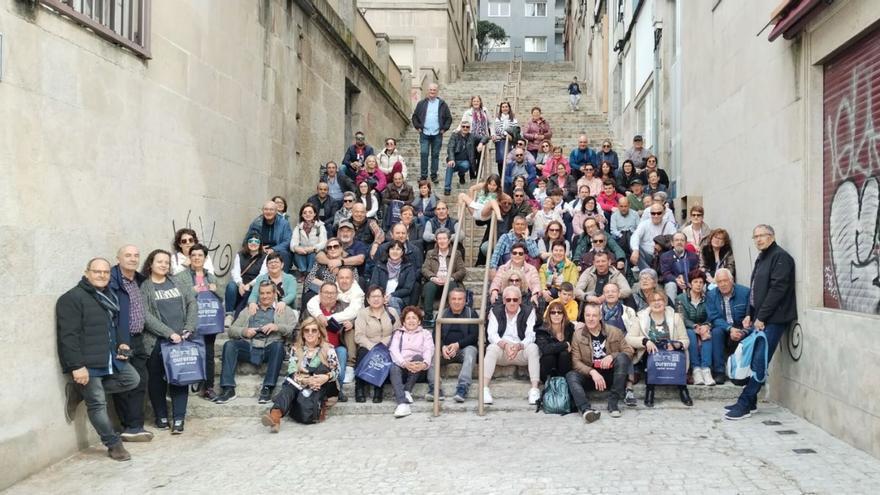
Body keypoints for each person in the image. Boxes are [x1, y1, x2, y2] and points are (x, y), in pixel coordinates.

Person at [57, 258, 140, 461]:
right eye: (97, 271)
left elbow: (113, 327)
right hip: (87, 362)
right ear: (87, 273)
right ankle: (113, 444)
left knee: (132, 379)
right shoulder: (72, 298)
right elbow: (68, 336)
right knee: (97, 404)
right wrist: (76, 366)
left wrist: (122, 344)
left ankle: (79, 391)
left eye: (105, 272)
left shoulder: (107, 296)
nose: (102, 275)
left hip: (109, 357)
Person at [726, 225, 796, 420]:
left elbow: (777, 291)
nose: (758, 240)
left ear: (772, 236)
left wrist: (762, 317)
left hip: (773, 320)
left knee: (759, 361)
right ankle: (752, 402)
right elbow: (755, 290)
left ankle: (745, 404)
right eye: (755, 236)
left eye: (762, 236)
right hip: (759, 319)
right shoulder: (762, 257)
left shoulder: (780, 257)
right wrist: (749, 313)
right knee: (753, 359)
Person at [139, 249, 198, 434]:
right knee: (156, 381)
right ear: (151, 264)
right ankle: (161, 416)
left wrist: (189, 327)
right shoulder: (145, 287)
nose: (164, 265)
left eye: (166, 262)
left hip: (182, 340)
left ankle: (179, 419)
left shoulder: (178, 282)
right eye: (160, 262)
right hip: (157, 342)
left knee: (180, 379)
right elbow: (145, 315)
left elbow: (192, 303)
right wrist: (168, 333)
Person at [216, 280, 296, 404]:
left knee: (278, 347)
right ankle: (228, 388)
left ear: (274, 294)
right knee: (229, 345)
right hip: (249, 346)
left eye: (268, 293)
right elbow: (232, 330)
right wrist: (244, 331)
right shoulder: (249, 310)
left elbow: (294, 331)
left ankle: (267, 388)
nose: (265, 296)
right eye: (262, 293)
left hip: (270, 347)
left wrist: (277, 327)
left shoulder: (284, 310)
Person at [261, 317, 339, 432]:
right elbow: (292, 371)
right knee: (289, 386)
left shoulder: (328, 349)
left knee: (321, 370)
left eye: (314, 330)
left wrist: (325, 377)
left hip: (324, 386)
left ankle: (276, 413)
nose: (310, 333)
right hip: (301, 385)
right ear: (302, 333)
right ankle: (275, 416)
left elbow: (337, 371)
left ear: (319, 333)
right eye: (307, 330)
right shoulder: (296, 349)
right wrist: (306, 381)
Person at [107, 246, 153, 442]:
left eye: (136, 255)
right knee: (125, 383)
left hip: (138, 338)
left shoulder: (139, 280)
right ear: (118, 258)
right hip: (120, 339)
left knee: (141, 381)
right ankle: (129, 426)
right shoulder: (111, 281)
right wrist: (118, 341)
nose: (133, 259)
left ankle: (135, 425)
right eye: (128, 255)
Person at [566, 303, 634, 421]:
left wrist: (612, 356)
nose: (591, 319)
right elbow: (575, 361)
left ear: (600, 316)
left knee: (622, 358)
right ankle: (586, 409)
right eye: (588, 315)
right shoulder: (577, 335)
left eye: (594, 315)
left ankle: (613, 403)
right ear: (584, 316)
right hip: (590, 376)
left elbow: (629, 351)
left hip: (611, 376)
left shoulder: (614, 331)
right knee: (571, 375)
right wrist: (592, 371)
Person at [173, 244, 223, 401]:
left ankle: (208, 387)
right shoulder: (181, 276)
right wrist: (193, 291)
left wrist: (216, 289)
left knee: (208, 354)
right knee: (192, 351)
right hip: (191, 321)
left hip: (209, 320)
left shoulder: (211, 276)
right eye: (193, 255)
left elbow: (221, 296)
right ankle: (193, 380)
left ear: (205, 258)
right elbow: (178, 298)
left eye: (200, 255)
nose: (196, 258)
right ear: (189, 258)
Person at [630, 289, 692, 408]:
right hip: (650, 354)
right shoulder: (641, 317)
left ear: (665, 302)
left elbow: (686, 340)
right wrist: (645, 341)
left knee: (677, 356)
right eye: (653, 300)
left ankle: (683, 389)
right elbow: (629, 338)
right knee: (651, 355)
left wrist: (676, 344)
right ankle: (650, 389)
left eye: (660, 300)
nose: (657, 303)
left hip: (670, 353)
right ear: (649, 302)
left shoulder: (675, 317)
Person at [484, 286, 541, 405]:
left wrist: (519, 346)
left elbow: (531, 335)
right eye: (508, 299)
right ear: (504, 300)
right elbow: (491, 334)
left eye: (515, 299)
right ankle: (484, 389)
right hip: (502, 350)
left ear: (520, 300)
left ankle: (534, 389)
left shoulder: (529, 311)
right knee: (491, 348)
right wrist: (505, 345)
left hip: (520, 349)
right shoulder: (495, 311)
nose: (512, 302)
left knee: (533, 348)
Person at [306, 266, 364, 381]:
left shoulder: (358, 294)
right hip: (318, 341)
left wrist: (328, 319)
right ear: (336, 279)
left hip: (346, 330)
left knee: (349, 329)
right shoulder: (331, 289)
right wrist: (319, 315)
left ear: (353, 280)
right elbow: (312, 302)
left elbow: (353, 313)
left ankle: (349, 367)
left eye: (347, 278)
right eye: (341, 277)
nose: (344, 280)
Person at [426, 288, 479, 402]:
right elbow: (436, 335)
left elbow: (474, 336)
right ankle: (435, 388)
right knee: (430, 353)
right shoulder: (442, 313)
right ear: (449, 300)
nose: (456, 301)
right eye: (453, 299)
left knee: (471, 351)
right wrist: (442, 347)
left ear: (465, 300)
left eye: (460, 299)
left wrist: (458, 345)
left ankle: (462, 387)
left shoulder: (471, 313)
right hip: (445, 351)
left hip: (463, 350)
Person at [306, 282, 351, 401]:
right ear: (320, 294)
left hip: (337, 346)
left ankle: (338, 389)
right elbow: (301, 328)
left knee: (342, 352)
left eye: (332, 293)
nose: (329, 295)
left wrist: (352, 323)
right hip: (316, 347)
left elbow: (358, 317)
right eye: (326, 292)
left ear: (337, 295)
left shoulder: (345, 307)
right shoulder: (312, 309)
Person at [354, 286, 399, 403]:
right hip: (368, 346)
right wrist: (373, 347)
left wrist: (384, 344)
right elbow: (359, 335)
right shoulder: (362, 313)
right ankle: (359, 389)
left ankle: (378, 389)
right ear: (368, 299)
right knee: (363, 353)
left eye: (378, 296)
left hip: (386, 346)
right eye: (372, 296)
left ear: (384, 298)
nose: (376, 299)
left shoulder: (392, 312)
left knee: (384, 355)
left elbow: (397, 333)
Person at [705, 268, 749, 385]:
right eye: (719, 282)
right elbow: (713, 317)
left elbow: (750, 315)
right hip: (723, 327)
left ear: (732, 280)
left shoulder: (745, 292)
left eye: (725, 280)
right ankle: (719, 372)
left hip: (740, 327)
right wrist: (729, 329)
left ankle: (743, 372)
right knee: (716, 332)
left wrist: (742, 330)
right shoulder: (711, 295)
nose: (723, 284)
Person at [389, 307, 435, 418]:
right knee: (393, 367)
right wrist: (404, 363)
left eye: (414, 318)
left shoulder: (425, 334)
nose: (411, 320)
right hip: (403, 368)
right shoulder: (398, 333)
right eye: (408, 318)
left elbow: (429, 349)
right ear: (403, 322)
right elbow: (393, 350)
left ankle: (407, 390)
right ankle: (402, 402)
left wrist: (424, 364)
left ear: (419, 321)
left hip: (419, 370)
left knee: (418, 357)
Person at [600, 282, 641, 406]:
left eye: (613, 291)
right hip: (603, 344)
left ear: (619, 294)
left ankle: (629, 389)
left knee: (626, 349)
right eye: (607, 292)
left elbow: (634, 330)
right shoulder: (598, 310)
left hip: (623, 342)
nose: (610, 294)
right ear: (603, 295)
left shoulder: (628, 311)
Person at [675, 270, 714, 386]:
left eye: (701, 282)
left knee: (707, 334)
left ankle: (706, 369)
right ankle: (696, 370)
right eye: (695, 282)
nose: (698, 285)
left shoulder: (708, 298)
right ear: (690, 284)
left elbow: (712, 315)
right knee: (690, 333)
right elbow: (680, 318)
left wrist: (706, 325)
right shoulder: (680, 298)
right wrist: (694, 326)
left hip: (703, 327)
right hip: (688, 327)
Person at [421, 229, 466, 325]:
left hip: (450, 281)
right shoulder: (430, 253)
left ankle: (450, 314)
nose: (442, 241)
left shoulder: (456, 253)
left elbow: (462, 271)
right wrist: (433, 277)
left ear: (449, 240)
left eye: (444, 238)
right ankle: (428, 316)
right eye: (439, 239)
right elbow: (425, 269)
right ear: (436, 241)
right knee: (429, 286)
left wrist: (449, 278)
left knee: (452, 285)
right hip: (435, 281)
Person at [412, 83, 453, 183]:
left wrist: (444, 129)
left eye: (434, 90)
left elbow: (449, 118)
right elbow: (415, 116)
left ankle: (434, 175)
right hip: (424, 133)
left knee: (435, 155)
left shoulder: (442, 104)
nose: (432, 92)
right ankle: (423, 175)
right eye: (430, 90)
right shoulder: (421, 103)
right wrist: (418, 127)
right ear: (427, 91)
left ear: (437, 91)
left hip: (437, 134)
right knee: (424, 153)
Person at [226, 234, 268, 322]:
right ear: (247, 243)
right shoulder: (240, 255)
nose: (253, 243)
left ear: (260, 244)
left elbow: (262, 274)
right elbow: (235, 271)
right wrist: (240, 284)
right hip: (241, 284)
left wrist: (249, 285)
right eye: (250, 241)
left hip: (255, 285)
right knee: (231, 286)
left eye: (256, 241)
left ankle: (239, 317)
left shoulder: (264, 257)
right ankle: (229, 315)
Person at [370, 240, 417, 315]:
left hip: (399, 299)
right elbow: (374, 284)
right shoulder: (380, 265)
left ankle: (396, 324)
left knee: (392, 300)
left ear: (402, 252)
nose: (395, 251)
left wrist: (392, 295)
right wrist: (382, 297)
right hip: (380, 297)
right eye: (392, 249)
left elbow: (407, 289)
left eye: (398, 249)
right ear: (388, 251)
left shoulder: (408, 266)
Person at [245, 201, 293, 271]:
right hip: (261, 249)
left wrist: (273, 249)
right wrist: (259, 247)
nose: (268, 212)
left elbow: (287, 241)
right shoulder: (257, 223)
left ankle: (282, 278)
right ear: (262, 211)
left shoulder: (284, 224)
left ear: (276, 211)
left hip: (278, 250)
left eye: (271, 210)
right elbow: (247, 239)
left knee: (285, 254)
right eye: (266, 209)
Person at [444, 119, 488, 194]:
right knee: (449, 166)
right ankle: (447, 189)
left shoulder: (472, 136)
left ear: (469, 128)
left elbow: (486, 137)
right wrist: (451, 159)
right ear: (460, 127)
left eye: (467, 127)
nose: (465, 128)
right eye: (463, 126)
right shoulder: (454, 135)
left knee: (465, 165)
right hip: (454, 160)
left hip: (465, 161)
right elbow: (450, 147)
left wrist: (481, 143)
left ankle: (461, 174)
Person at [536, 301, 575, 382]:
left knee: (564, 354)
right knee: (549, 356)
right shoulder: (542, 330)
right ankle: (549, 383)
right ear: (549, 315)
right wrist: (565, 344)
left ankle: (563, 383)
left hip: (565, 367)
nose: (556, 315)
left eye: (559, 312)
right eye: (553, 312)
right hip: (548, 368)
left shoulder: (570, 328)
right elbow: (545, 349)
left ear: (563, 315)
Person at [630, 203, 677, 269]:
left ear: (663, 213)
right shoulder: (644, 224)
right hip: (647, 255)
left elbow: (675, 239)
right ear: (650, 214)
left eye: (659, 213)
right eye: (653, 213)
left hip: (662, 256)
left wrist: (662, 245)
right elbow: (635, 236)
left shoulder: (669, 225)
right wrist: (635, 250)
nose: (656, 215)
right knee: (634, 247)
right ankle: (648, 273)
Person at [659, 232, 701, 302]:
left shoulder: (693, 256)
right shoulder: (665, 256)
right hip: (673, 282)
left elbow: (695, 272)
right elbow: (665, 274)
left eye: (682, 240)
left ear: (686, 243)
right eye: (677, 240)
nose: (679, 242)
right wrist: (676, 280)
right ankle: (672, 310)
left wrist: (686, 280)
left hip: (689, 282)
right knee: (671, 285)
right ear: (672, 243)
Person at [290, 203, 328, 277]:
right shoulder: (298, 227)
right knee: (297, 253)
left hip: (314, 253)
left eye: (310, 212)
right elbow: (293, 242)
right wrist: (296, 248)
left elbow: (324, 242)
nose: (307, 214)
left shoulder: (320, 226)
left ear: (314, 214)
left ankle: (310, 273)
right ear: (302, 215)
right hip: (302, 253)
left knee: (312, 254)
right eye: (305, 212)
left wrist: (313, 248)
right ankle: (303, 272)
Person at [461, 95, 492, 179]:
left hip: (483, 137)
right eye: (474, 101)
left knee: (481, 157)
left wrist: (492, 134)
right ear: (471, 102)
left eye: (477, 101)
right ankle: (472, 176)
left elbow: (490, 123)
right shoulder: (467, 113)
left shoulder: (485, 111)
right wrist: (457, 131)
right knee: (471, 156)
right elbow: (462, 123)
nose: (476, 103)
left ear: (480, 102)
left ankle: (478, 174)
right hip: (471, 137)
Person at [539, 241, 579, 305]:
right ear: (552, 252)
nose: (558, 253)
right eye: (556, 250)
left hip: (565, 294)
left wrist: (561, 284)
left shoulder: (572, 266)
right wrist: (544, 291)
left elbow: (573, 283)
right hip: (548, 293)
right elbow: (542, 282)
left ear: (565, 252)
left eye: (561, 251)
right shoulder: (544, 267)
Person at [492, 101, 519, 176]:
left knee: (509, 159)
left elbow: (515, 129)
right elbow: (497, 129)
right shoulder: (498, 118)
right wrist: (506, 134)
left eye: (506, 107)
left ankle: (508, 175)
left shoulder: (513, 118)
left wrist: (510, 136)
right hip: (500, 141)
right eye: (503, 107)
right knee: (501, 159)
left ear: (509, 108)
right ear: (500, 109)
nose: (505, 108)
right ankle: (501, 177)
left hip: (510, 141)